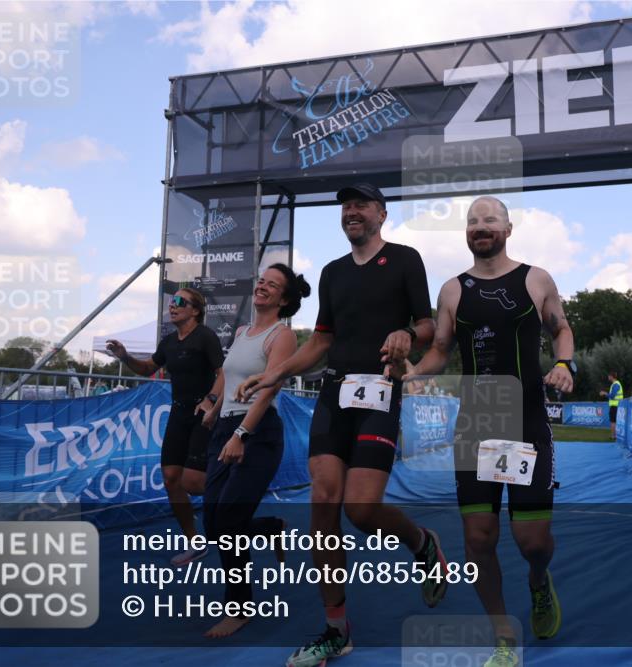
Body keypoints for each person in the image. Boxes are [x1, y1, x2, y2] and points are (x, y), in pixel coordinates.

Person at [236, 183, 446, 666]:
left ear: (381, 214)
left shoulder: (406, 259)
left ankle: (422, 543)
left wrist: (406, 333)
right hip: (334, 393)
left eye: (361, 205)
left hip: (379, 392)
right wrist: (272, 373)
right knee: (324, 502)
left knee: (363, 510)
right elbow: (321, 341)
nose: (352, 211)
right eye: (346, 206)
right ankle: (336, 629)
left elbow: (429, 327)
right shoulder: (331, 273)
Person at [406, 196, 575, 667]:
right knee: (479, 539)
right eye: (472, 221)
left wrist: (565, 363)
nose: (481, 227)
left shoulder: (535, 279)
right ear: (466, 232)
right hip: (476, 426)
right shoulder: (452, 290)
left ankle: (539, 583)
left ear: (508, 228)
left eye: (490, 220)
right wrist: (416, 372)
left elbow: (561, 329)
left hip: (525, 424)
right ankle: (503, 637)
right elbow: (440, 349)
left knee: (532, 543)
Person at [201, 263, 309, 638]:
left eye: (272, 284)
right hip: (226, 427)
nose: (263, 286)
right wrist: (213, 411)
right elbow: (230, 379)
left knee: (228, 523)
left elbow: (269, 389)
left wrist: (242, 434)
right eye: (262, 280)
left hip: (257, 432)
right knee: (213, 523)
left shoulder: (283, 336)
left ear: (284, 298)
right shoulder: (245, 331)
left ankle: (240, 607)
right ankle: (268, 527)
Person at [106, 287, 223, 566]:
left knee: (193, 483)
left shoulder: (206, 337)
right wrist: (124, 356)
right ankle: (196, 543)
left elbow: (223, 373)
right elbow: (147, 368)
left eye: (181, 302)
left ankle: (237, 497)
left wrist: (210, 401)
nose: (173, 305)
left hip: (202, 413)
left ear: (195, 310)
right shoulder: (169, 342)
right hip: (179, 413)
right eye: (172, 301)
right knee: (171, 478)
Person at [606, 371, 623, 440]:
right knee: (614, 421)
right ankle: (615, 436)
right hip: (616, 405)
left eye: (609, 376)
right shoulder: (615, 384)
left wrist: (605, 393)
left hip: (615, 405)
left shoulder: (616, 384)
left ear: (611, 376)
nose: (608, 377)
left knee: (613, 421)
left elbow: (612, 396)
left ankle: (614, 436)